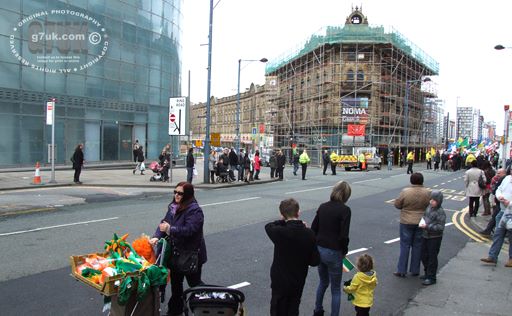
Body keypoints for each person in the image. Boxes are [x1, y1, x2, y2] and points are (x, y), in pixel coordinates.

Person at [149, 182, 207, 316]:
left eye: (180, 193)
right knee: (176, 286)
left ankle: (210, 304)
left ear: (187, 195)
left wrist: (171, 229)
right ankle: (175, 310)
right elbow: (163, 224)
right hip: (176, 254)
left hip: (191, 256)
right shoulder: (173, 207)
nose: (176, 195)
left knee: (195, 284)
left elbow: (190, 230)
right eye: (175, 192)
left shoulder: (194, 210)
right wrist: (157, 236)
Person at [265, 198, 320, 316]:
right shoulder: (309, 234)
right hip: (298, 279)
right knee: (293, 307)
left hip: (280, 279)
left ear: (282, 215)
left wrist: (283, 221)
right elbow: (315, 261)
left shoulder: (279, 232)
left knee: (277, 308)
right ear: (298, 212)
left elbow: (268, 226)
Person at [312, 181, 352, 316]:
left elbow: (314, 229)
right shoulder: (345, 210)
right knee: (335, 289)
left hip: (320, 249)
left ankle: (318, 310)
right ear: (346, 195)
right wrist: (344, 251)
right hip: (334, 251)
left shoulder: (322, 207)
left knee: (323, 282)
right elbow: (343, 236)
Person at [393, 172, 431, 277]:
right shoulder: (427, 193)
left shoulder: (406, 191)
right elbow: (430, 206)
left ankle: (401, 270)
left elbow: (397, 204)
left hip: (406, 221)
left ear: (411, 180)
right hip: (421, 221)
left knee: (405, 246)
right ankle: (415, 270)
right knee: (418, 246)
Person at [480, 169, 512, 267]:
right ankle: (492, 256)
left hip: (510, 212)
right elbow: (498, 189)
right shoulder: (507, 178)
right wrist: (500, 197)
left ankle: (511, 259)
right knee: (498, 234)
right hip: (503, 212)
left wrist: (510, 203)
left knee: (511, 237)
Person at [419, 190, 446, 285]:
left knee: (432, 258)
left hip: (434, 237)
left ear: (438, 201)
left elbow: (440, 227)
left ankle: (432, 277)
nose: (431, 201)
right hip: (425, 235)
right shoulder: (429, 207)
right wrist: (422, 222)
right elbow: (425, 217)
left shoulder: (440, 212)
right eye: (431, 199)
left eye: (434, 200)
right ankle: (427, 273)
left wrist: (427, 226)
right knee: (423, 255)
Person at [480, 168, 507, 236]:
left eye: (499, 173)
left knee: (496, 217)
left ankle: (495, 232)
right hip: (501, 203)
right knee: (497, 217)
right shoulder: (502, 179)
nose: (497, 174)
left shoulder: (503, 179)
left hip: (502, 203)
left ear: (504, 173)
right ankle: (490, 230)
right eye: (497, 173)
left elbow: (496, 190)